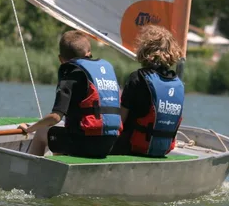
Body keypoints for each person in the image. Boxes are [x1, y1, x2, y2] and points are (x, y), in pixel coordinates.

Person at [18, 30, 122, 158]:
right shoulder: (106, 70)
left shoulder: (72, 74)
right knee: (61, 136)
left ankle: (30, 175)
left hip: (85, 143)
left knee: (41, 132)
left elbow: (55, 117)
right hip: (110, 143)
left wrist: (29, 129)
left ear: (61, 59)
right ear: (89, 52)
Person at [111, 25, 184, 157]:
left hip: (131, 147)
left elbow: (121, 119)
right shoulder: (177, 83)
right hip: (162, 149)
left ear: (144, 49)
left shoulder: (137, 78)